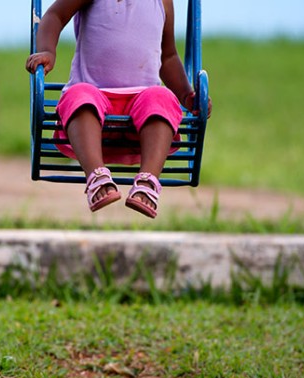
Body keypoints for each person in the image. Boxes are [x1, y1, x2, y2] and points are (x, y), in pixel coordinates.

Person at [26, 0, 212, 219]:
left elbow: (168, 56)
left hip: (142, 112)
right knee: (78, 96)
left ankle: (147, 181)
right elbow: (55, 15)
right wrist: (48, 51)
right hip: (95, 100)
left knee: (162, 98)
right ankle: (96, 177)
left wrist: (185, 95)